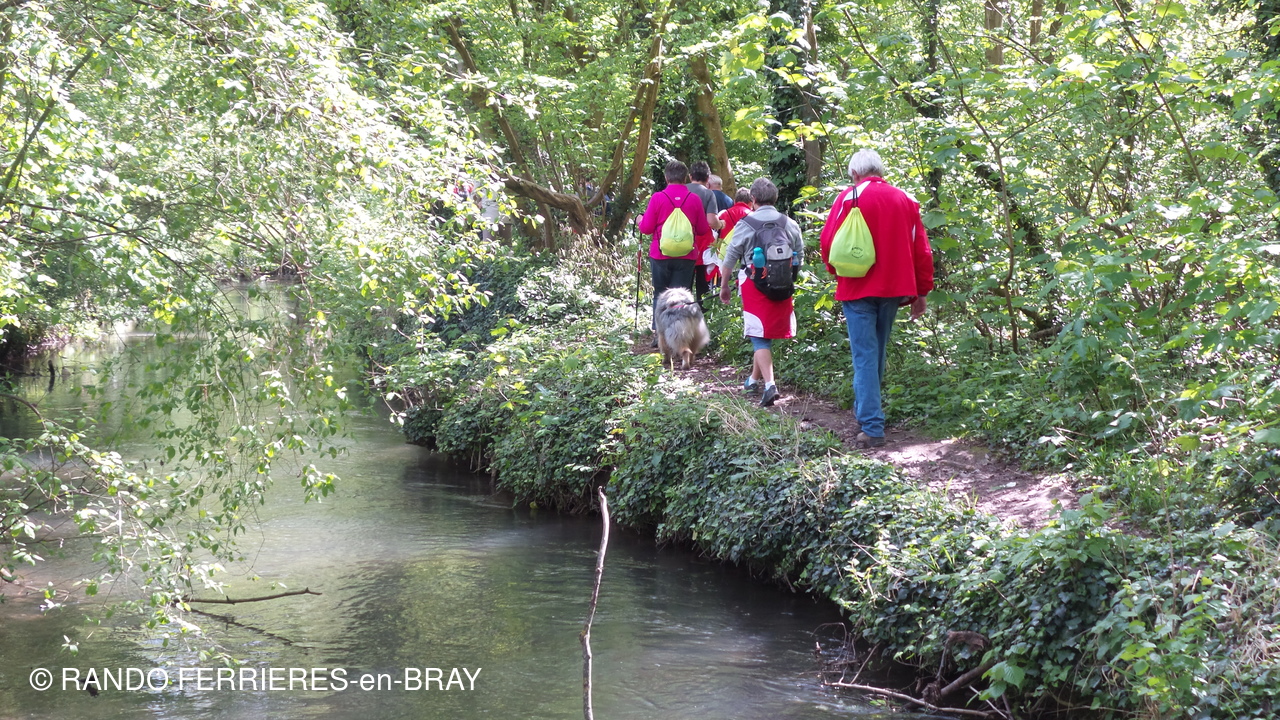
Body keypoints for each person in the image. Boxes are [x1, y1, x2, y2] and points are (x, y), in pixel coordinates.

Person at [818, 149, 934, 448]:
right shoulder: (904, 199)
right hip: (894, 287)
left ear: (855, 173)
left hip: (856, 285)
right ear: (880, 171)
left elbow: (828, 241)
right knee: (876, 352)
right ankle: (867, 414)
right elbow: (921, 249)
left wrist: (836, 271)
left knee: (865, 355)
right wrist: (921, 291)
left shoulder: (848, 197)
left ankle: (871, 425)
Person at [718, 178, 802, 408]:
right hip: (783, 283)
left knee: (759, 336)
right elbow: (799, 255)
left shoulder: (746, 224)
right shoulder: (789, 223)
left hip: (754, 283)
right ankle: (753, 380)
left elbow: (730, 258)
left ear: (753, 199)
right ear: (775, 198)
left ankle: (770, 386)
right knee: (763, 334)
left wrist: (724, 286)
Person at [637, 160, 712, 341]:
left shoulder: (657, 198)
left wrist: (639, 220)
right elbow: (703, 229)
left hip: (660, 254)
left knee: (660, 294)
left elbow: (646, 228)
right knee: (680, 297)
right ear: (685, 178)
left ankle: (660, 336)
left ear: (666, 177)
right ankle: (679, 336)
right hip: (686, 255)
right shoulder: (694, 199)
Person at [687, 161, 724, 310]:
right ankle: (703, 315)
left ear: (690, 176)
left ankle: (683, 315)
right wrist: (721, 224)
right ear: (708, 178)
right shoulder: (708, 194)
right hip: (703, 245)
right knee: (703, 286)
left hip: (682, 243)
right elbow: (712, 221)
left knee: (684, 285)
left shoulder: (683, 190)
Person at [704, 187, 753, 292]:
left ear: (735, 201)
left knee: (721, 287)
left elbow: (714, 235)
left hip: (724, 256)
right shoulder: (753, 216)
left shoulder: (723, 214)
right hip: (745, 257)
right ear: (751, 203)